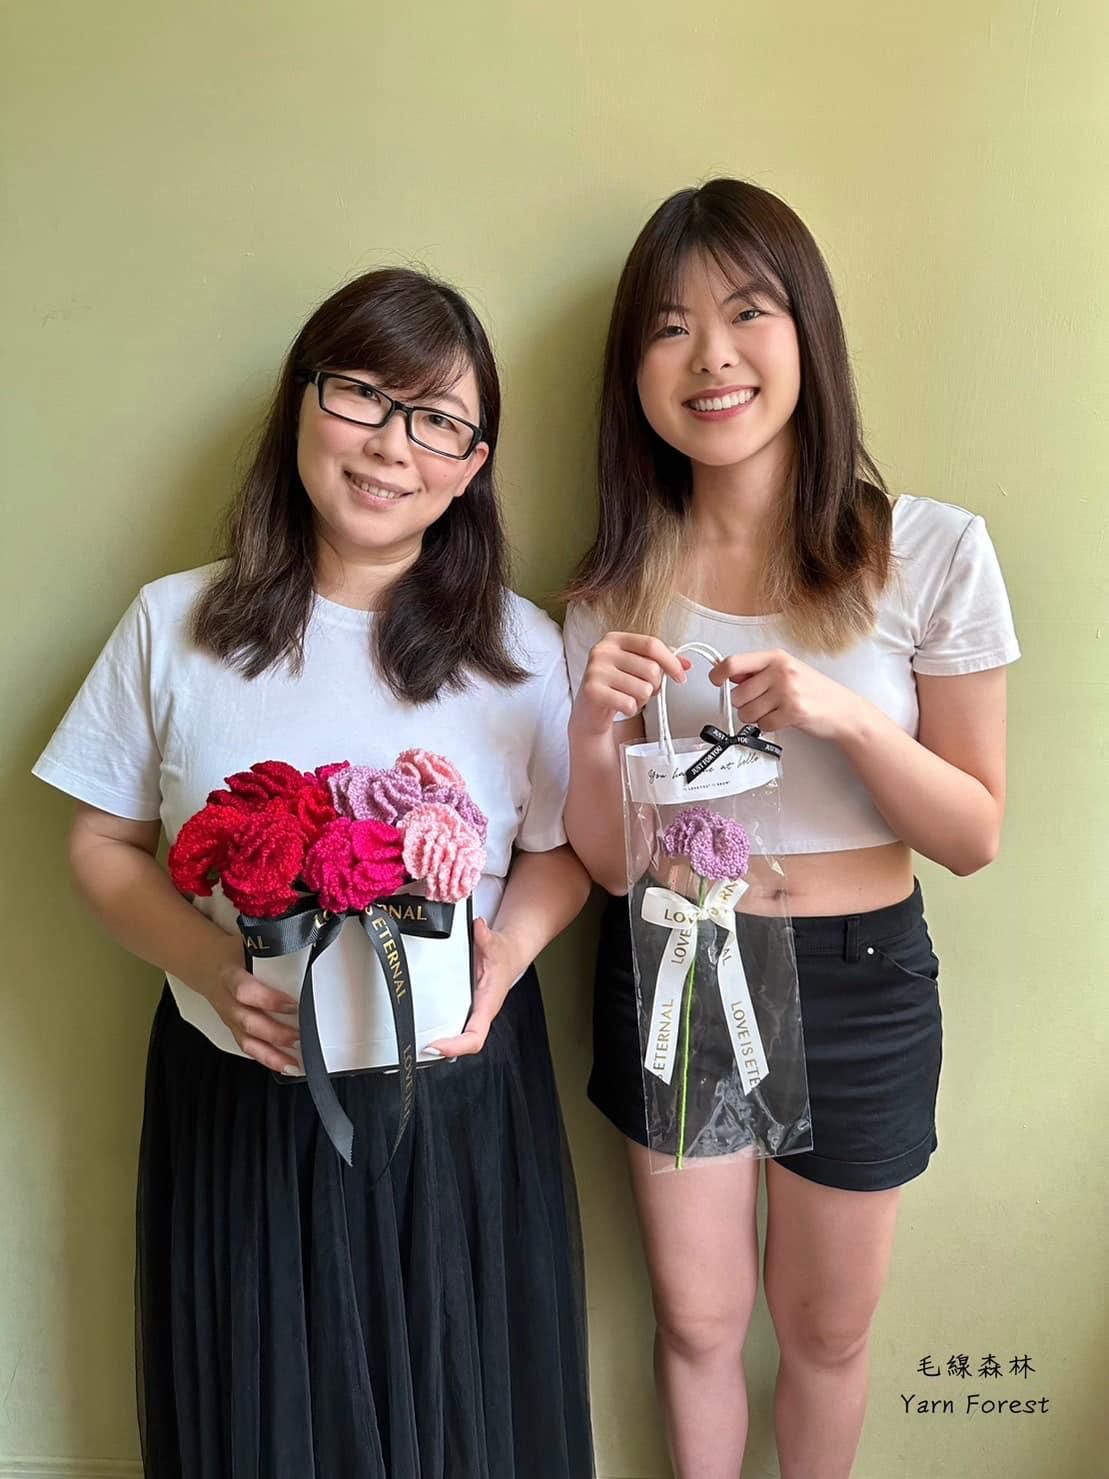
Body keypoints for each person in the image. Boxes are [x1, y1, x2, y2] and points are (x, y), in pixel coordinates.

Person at [34, 267, 594, 1479]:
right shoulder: (174, 625)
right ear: (301, 401)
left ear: (471, 464)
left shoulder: (519, 646)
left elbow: (561, 855)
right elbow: (100, 844)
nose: (391, 446)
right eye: (361, 397)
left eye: (436, 421)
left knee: (460, 1423)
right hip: (241, 1104)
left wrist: (506, 954)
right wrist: (206, 964)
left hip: (454, 1109)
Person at [562, 179, 1019, 1479]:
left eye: (746, 312)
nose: (710, 355)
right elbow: (609, 865)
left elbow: (973, 834)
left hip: (861, 976)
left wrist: (844, 717)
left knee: (824, 1330)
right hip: (680, 955)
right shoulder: (612, 585)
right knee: (699, 1321)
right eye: (669, 327)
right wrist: (594, 729)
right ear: (634, 373)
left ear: (806, 332)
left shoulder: (929, 551)